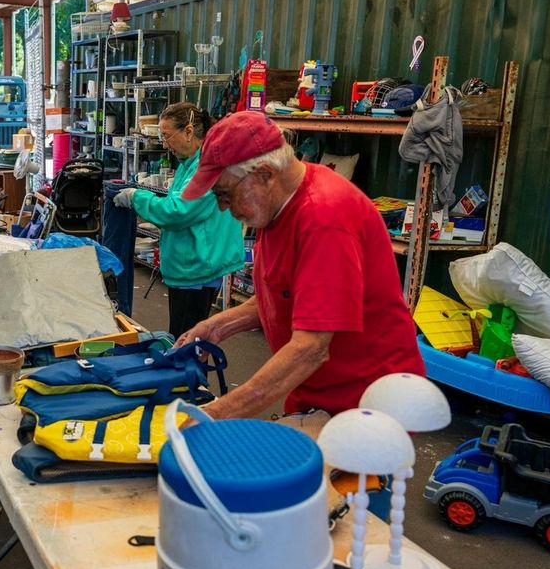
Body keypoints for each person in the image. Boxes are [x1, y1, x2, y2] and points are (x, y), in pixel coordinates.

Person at [174, 111, 423, 420]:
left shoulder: (324, 219)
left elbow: (311, 348)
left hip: (366, 405)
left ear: (264, 174)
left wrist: (216, 413)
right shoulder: (278, 205)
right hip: (319, 393)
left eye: (225, 194)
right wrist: (217, 326)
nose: (223, 207)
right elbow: (285, 293)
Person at [112, 102, 245, 337]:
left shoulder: (206, 166)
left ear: (189, 131)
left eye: (166, 136)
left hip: (197, 267)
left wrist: (137, 197)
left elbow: (177, 211)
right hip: (196, 261)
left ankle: (190, 374)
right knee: (188, 338)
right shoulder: (192, 162)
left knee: (187, 341)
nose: (164, 144)